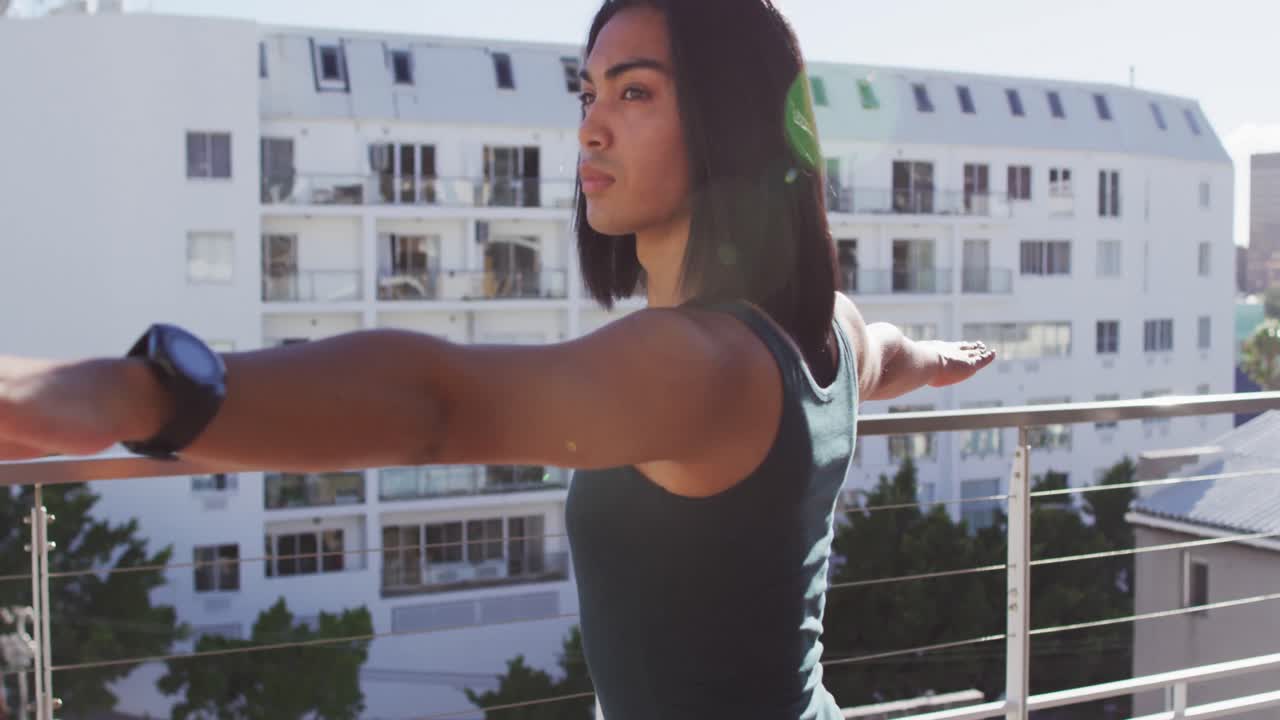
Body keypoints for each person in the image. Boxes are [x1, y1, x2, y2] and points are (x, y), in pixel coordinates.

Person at [0, 0, 995, 716]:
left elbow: (432, 401)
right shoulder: (820, 331)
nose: (589, 124)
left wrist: (129, 392)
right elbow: (886, 357)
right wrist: (937, 355)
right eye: (587, 90)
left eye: (635, 91)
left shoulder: (696, 366)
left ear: (729, 122)